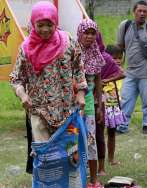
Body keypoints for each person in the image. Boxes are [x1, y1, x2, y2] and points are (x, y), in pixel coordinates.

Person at [10, 1, 87, 186]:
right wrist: (23, 95)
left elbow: (79, 69)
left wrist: (81, 93)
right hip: (39, 114)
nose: (45, 29)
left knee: (70, 156)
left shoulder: (68, 42)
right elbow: (15, 78)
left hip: (67, 114)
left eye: (49, 24)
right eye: (40, 25)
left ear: (55, 22)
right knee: (46, 160)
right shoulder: (26, 48)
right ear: (33, 24)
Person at [116, 0, 147, 134]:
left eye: (145, 11)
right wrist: (119, 65)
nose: (142, 14)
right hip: (130, 72)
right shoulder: (125, 26)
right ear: (134, 12)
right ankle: (122, 126)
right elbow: (120, 47)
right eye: (139, 11)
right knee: (126, 100)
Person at [77, 19, 105, 188]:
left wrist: (99, 106)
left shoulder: (96, 55)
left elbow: (99, 82)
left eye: (92, 33)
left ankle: (93, 180)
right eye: (86, 32)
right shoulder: (72, 53)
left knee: (91, 139)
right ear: (80, 33)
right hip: (73, 102)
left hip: (88, 102)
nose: (89, 36)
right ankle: (76, 178)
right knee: (73, 138)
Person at [95, 33, 124, 176]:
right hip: (97, 100)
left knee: (111, 131)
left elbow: (122, 73)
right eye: (115, 58)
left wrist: (105, 80)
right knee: (98, 132)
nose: (117, 61)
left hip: (111, 101)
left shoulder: (105, 59)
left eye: (120, 58)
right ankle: (98, 163)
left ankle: (110, 159)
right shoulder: (92, 58)